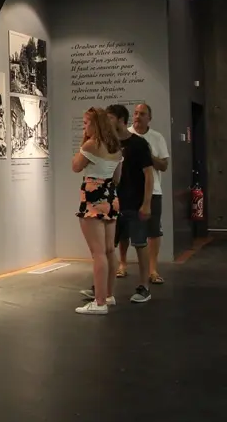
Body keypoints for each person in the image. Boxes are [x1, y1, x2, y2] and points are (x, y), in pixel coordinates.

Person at [72, 107, 123, 315]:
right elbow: (117, 177)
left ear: (95, 124)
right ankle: (108, 295)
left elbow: (75, 166)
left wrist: (83, 140)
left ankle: (99, 302)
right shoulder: (116, 148)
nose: (84, 127)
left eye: (86, 123)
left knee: (98, 253)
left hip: (93, 198)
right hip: (111, 197)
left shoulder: (91, 145)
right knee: (110, 250)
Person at [107, 104, 154, 303]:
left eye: (110, 118)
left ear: (120, 120)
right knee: (108, 247)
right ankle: (103, 287)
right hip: (112, 203)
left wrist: (146, 203)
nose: (107, 122)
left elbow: (148, 175)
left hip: (134, 202)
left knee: (140, 244)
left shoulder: (139, 144)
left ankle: (144, 287)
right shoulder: (108, 144)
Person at [128, 103, 170, 284]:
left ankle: (152, 269)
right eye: (135, 113)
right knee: (124, 231)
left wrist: (148, 156)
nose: (137, 116)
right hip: (129, 191)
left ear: (149, 118)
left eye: (142, 114)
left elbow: (164, 166)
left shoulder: (157, 138)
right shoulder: (126, 135)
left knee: (153, 231)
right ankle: (122, 264)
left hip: (153, 191)